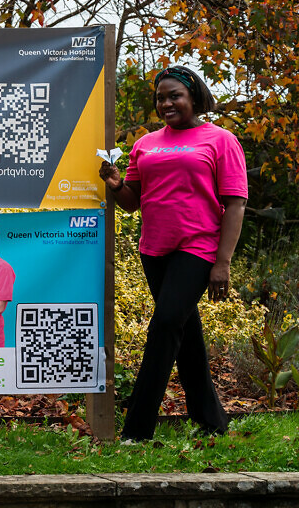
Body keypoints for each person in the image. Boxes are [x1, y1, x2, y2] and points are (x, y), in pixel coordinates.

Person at [99, 65, 246, 442]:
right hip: (154, 250)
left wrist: (222, 263)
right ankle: (211, 421)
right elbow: (132, 201)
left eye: (174, 96)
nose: (166, 103)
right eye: (160, 98)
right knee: (184, 332)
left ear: (193, 97)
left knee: (164, 325)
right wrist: (115, 184)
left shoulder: (221, 140)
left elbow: (235, 204)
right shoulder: (145, 144)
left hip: (198, 247)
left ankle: (136, 430)